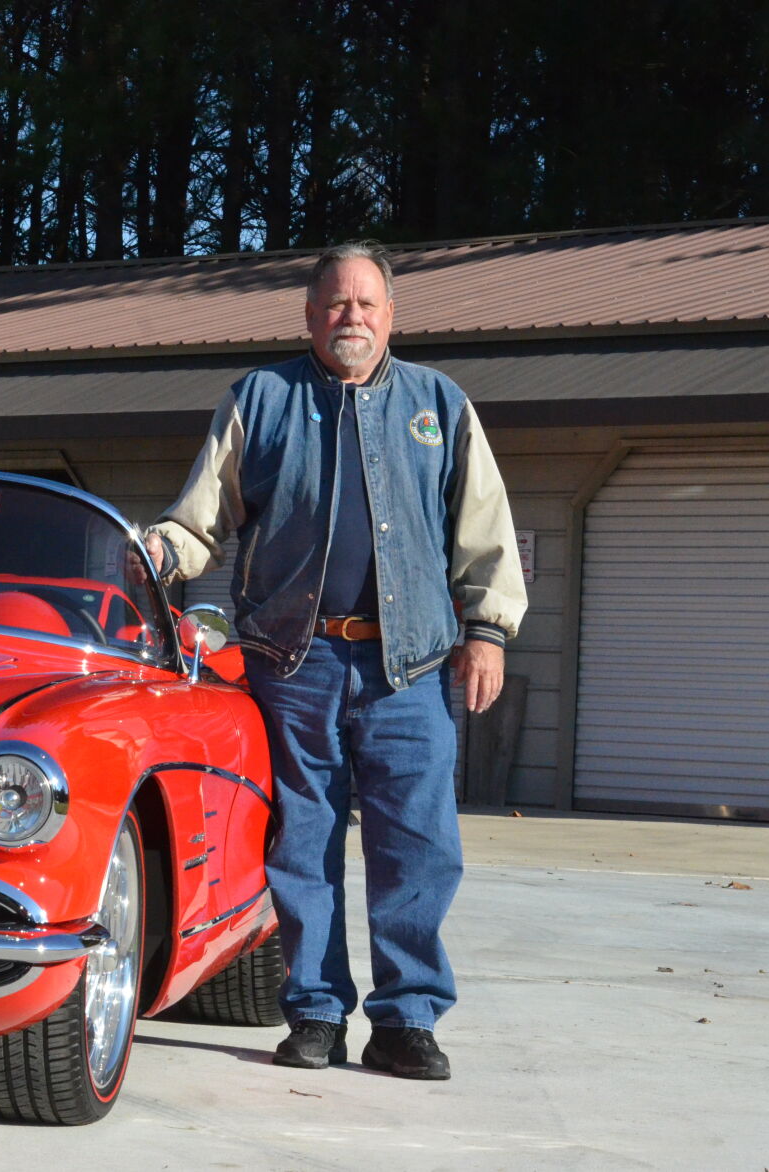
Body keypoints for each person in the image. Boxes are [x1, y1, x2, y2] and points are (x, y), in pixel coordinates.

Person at [145, 240, 526, 1080]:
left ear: (391, 315)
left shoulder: (440, 403)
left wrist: (487, 631)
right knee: (302, 843)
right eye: (334, 304)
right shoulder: (261, 398)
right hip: (292, 664)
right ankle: (315, 1012)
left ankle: (405, 1020)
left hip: (410, 668)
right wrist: (151, 556)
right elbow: (198, 520)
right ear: (309, 314)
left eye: (365, 304)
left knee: (417, 847)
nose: (349, 317)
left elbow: (484, 532)